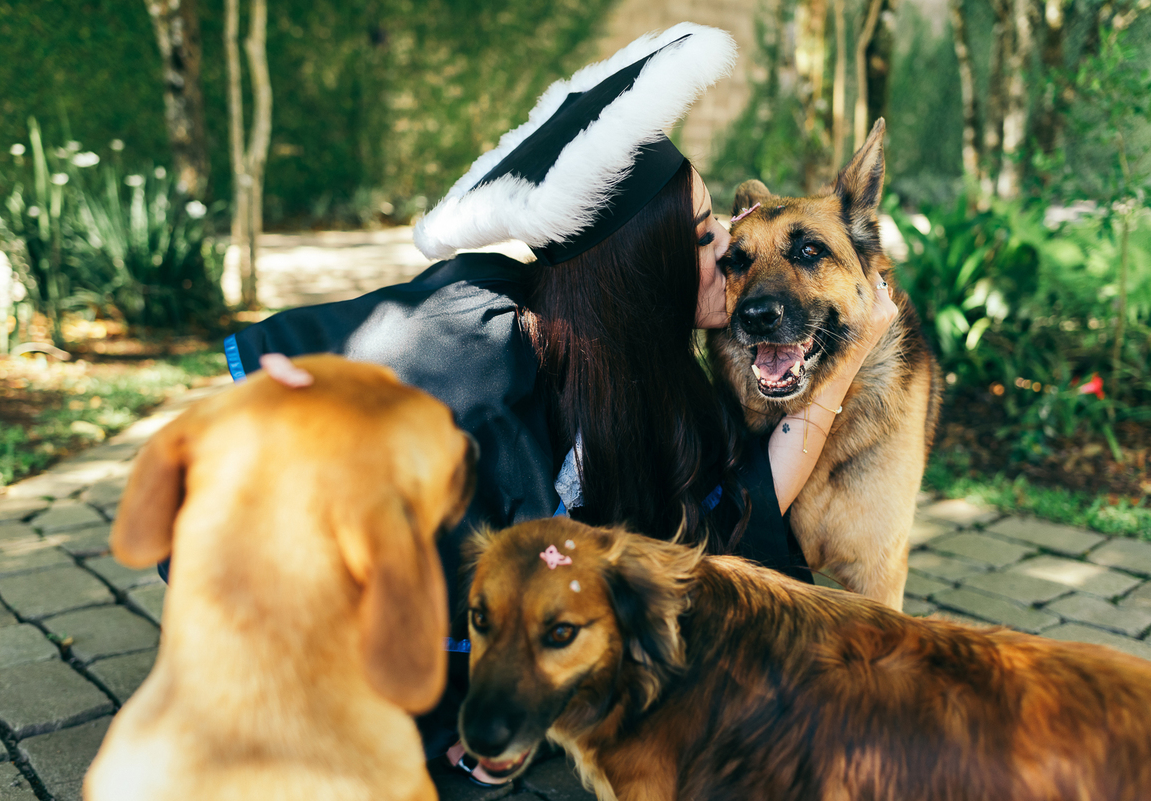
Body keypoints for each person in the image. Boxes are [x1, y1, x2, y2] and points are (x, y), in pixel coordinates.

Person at [219, 23, 896, 782]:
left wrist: (843, 367)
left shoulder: (660, 368)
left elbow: (730, 517)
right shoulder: (473, 355)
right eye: (706, 235)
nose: (729, 251)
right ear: (643, 265)